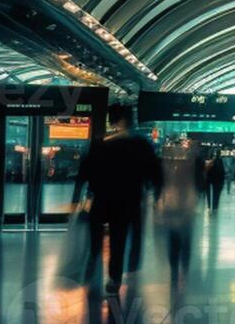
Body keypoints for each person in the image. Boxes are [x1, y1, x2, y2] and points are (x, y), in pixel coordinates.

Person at [72, 105, 163, 292]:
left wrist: (79, 195)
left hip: (102, 197)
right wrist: (156, 192)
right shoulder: (141, 144)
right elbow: (154, 171)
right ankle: (114, 278)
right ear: (128, 119)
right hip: (128, 199)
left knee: (95, 234)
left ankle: (92, 263)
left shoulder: (101, 142)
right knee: (118, 238)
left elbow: (86, 170)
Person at [158, 137, 203, 282]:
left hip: (174, 207)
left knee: (175, 239)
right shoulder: (191, 166)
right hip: (183, 208)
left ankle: (175, 268)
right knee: (184, 238)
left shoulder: (168, 167)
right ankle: (183, 266)